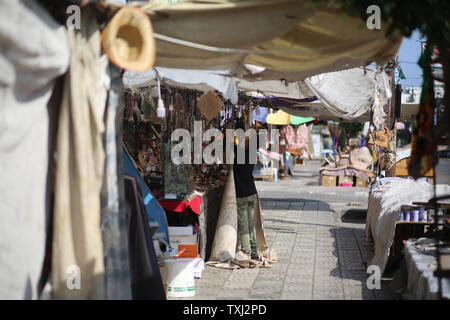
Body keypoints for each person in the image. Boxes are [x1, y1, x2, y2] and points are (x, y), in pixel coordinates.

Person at [233, 131, 259, 260]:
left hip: (242, 193)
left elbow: (230, 145)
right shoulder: (252, 153)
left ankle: (246, 251)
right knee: (250, 223)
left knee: (244, 224)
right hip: (252, 192)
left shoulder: (239, 154)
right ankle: (255, 250)